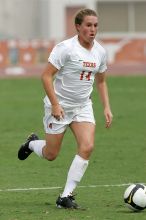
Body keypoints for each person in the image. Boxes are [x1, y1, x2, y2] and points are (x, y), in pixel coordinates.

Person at [18, 8, 113, 209]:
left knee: (87, 146)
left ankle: (65, 196)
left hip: (83, 106)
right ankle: (31, 144)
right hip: (59, 106)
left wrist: (106, 107)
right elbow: (45, 76)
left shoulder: (100, 52)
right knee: (51, 154)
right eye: (88, 25)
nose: (93, 29)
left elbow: (102, 81)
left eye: (95, 25)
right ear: (78, 27)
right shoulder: (65, 48)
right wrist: (54, 104)